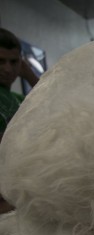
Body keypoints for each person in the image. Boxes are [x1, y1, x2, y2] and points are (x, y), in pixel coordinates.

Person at [0, 28, 39, 215]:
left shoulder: (18, 99)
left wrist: (30, 75)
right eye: (0, 61)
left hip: (20, 193)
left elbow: (58, 104)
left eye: (13, 62)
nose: (8, 69)